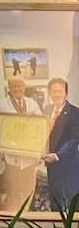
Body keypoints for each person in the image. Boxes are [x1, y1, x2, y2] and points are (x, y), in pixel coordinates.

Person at [0, 76, 42, 212]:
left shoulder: (32, 103)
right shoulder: (2, 104)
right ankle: (14, 213)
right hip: (12, 154)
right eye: (13, 86)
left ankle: (26, 213)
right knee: (13, 189)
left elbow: (40, 126)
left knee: (28, 187)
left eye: (19, 86)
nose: (17, 89)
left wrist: (34, 118)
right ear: (9, 89)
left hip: (29, 156)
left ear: (24, 87)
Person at [41, 78, 79, 211]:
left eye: (60, 91)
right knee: (55, 199)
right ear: (49, 93)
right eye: (53, 91)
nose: (56, 94)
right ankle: (55, 222)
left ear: (66, 93)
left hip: (69, 164)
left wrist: (57, 155)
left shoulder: (75, 112)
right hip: (51, 165)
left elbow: (74, 139)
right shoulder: (46, 110)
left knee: (73, 199)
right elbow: (41, 133)